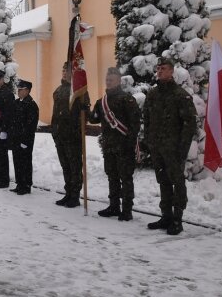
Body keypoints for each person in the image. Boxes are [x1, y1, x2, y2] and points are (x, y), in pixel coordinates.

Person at [143, 57, 197, 235]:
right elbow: (147, 119)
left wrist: (182, 149)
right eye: (158, 68)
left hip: (174, 149)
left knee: (177, 182)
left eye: (163, 68)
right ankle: (166, 215)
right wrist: (149, 141)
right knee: (163, 182)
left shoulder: (180, 95)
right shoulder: (153, 94)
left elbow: (189, 125)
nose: (159, 71)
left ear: (172, 71)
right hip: (158, 148)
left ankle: (177, 219)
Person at [89, 68, 140, 220]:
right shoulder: (101, 102)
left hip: (124, 147)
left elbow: (135, 124)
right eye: (107, 79)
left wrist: (129, 143)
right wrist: (85, 106)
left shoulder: (127, 99)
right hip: (109, 146)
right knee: (112, 177)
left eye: (111, 79)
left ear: (118, 80)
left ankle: (127, 210)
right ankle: (114, 206)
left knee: (126, 178)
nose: (108, 81)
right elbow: (93, 119)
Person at [51, 62, 90, 208]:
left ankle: (75, 195)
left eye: (67, 70)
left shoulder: (79, 91)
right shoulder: (58, 90)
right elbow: (55, 113)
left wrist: (83, 109)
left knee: (74, 167)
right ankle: (68, 193)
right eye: (63, 70)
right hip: (60, 135)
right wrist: (54, 131)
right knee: (65, 166)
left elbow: (85, 113)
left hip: (72, 136)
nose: (64, 73)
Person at [10, 79, 39, 195]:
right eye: (18, 89)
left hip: (25, 140)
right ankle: (19, 183)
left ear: (27, 91)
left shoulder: (31, 105)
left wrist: (25, 140)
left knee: (25, 162)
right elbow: (12, 121)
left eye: (21, 89)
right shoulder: (17, 103)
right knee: (17, 161)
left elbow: (31, 125)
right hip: (16, 138)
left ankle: (26, 185)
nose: (18, 91)